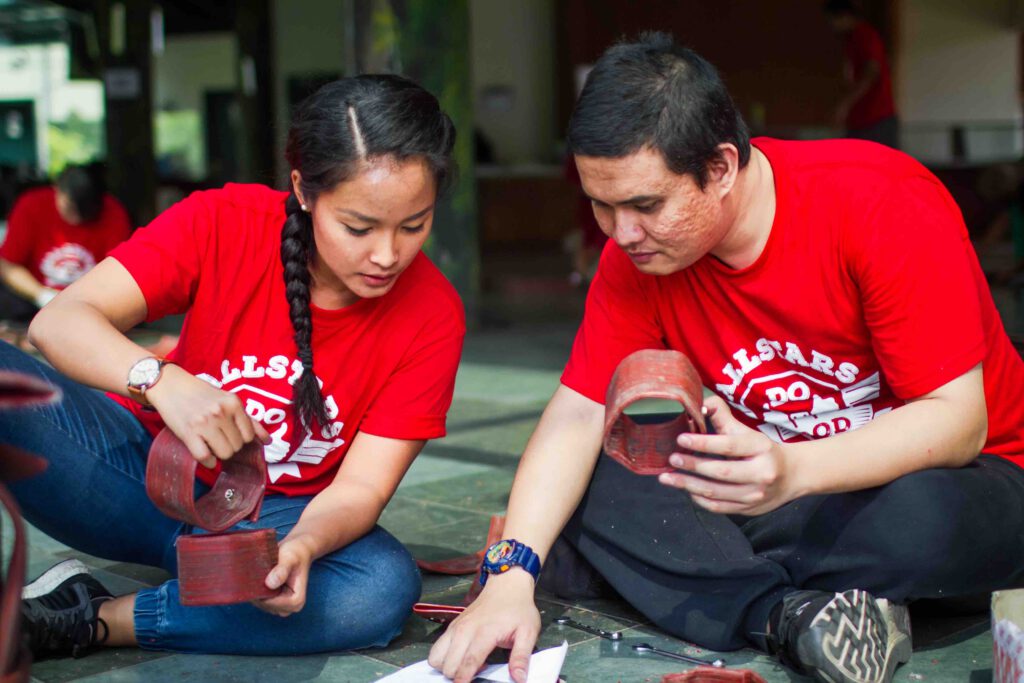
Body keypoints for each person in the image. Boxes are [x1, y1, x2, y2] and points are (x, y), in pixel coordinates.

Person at [428, 33, 1024, 683]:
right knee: (602, 466)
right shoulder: (636, 257)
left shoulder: (876, 201)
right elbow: (576, 414)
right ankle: (789, 613)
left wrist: (793, 470)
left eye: (645, 205)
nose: (621, 233)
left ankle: (679, 571)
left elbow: (957, 420)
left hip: (954, 481)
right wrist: (510, 575)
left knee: (924, 521)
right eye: (601, 205)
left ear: (719, 167)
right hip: (769, 495)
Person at [4, 74, 465, 658]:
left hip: (270, 525)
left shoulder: (433, 313)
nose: (386, 254)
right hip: (131, 479)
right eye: (358, 227)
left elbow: (363, 488)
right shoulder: (223, 221)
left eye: (413, 225)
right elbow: (59, 322)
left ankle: (98, 617)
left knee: (379, 589)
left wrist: (303, 547)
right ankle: (204, 601)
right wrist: (161, 381)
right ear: (302, 189)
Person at [0, 164, 130, 322]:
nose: (76, 218)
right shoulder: (32, 205)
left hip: (93, 306)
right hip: (35, 302)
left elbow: (120, 274)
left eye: (86, 210)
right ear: (57, 191)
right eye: (70, 208)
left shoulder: (113, 212)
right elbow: (8, 265)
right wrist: (41, 295)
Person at [825, 0, 899, 149]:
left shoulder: (865, 35)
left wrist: (846, 104)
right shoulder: (851, 40)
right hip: (859, 120)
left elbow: (871, 72)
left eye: (832, 20)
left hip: (876, 118)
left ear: (844, 16)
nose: (831, 25)